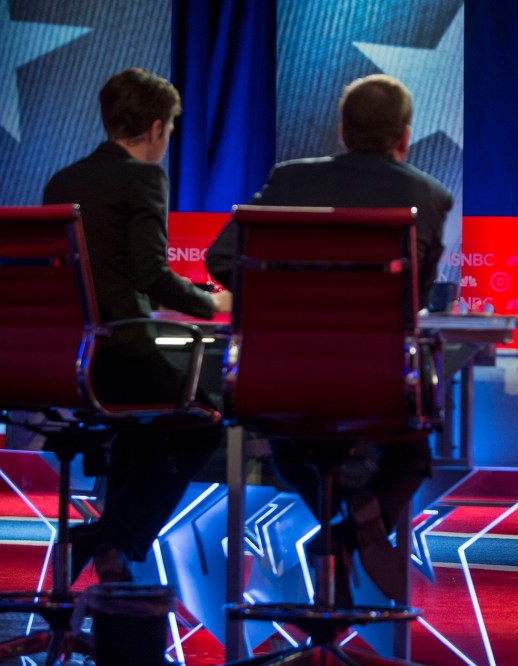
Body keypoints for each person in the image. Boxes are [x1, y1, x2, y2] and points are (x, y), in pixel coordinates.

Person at [205, 74, 452, 602]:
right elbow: (415, 300)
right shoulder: (428, 197)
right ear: (404, 138)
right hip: (380, 386)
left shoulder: (288, 181)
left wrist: (280, 301)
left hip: (280, 382)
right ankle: (356, 525)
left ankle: (344, 528)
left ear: (342, 130)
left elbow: (220, 260)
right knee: (409, 456)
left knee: (295, 447)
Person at [42, 67, 230, 582]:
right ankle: (110, 538)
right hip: (121, 353)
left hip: (67, 363)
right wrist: (214, 304)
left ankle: (112, 555)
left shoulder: (63, 180)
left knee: (142, 433)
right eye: (168, 130)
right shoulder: (144, 176)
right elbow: (152, 273)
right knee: (203, 425)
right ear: (154, 128)